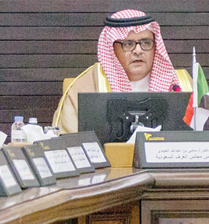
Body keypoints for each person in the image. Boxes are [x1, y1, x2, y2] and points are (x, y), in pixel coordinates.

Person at [52, 9, 182, 133]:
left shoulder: (181, 85)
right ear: (112, 49)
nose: (138, 51)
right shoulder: (86, 86)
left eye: (146, 43)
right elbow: (68, 139)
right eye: (128, 44)